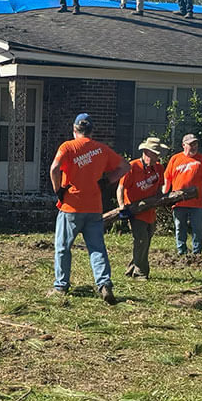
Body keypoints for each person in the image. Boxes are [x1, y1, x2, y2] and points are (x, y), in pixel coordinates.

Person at [50, 112, 127, 303]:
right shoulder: (101, 149)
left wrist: (58, 190)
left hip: (71, 207)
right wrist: (107, 180)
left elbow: (54, 168)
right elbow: (125, 167)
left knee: (63, 247)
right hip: (94, 207)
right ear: (91, 130)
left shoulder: (68, 147)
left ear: (75, 129)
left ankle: (61, 286)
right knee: (97, 248)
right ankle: (104, 284)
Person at [117, 137, 169, 278]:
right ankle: (140, 273)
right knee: (141, 240)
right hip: (135, 211)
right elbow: (120, 188)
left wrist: (163, 198)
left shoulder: (159, 168)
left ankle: (131, 269)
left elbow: (160, 188)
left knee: (145, 243)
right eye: (154, 154)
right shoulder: (132, 167)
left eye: (158, 154)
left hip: (150, 212)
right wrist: (122, 206)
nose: (156, 157)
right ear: (146, 152)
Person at [163, 132, 202, 256]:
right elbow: (167, 178)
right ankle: (182, 251)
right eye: (191, 144)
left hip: (197, 203)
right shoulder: (175, 159)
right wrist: (165, 196)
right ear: (183, 145)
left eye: (195, 144)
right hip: (179, 202)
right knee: (180, 228)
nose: (194, 146)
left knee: (198, 229)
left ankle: (197, 253)